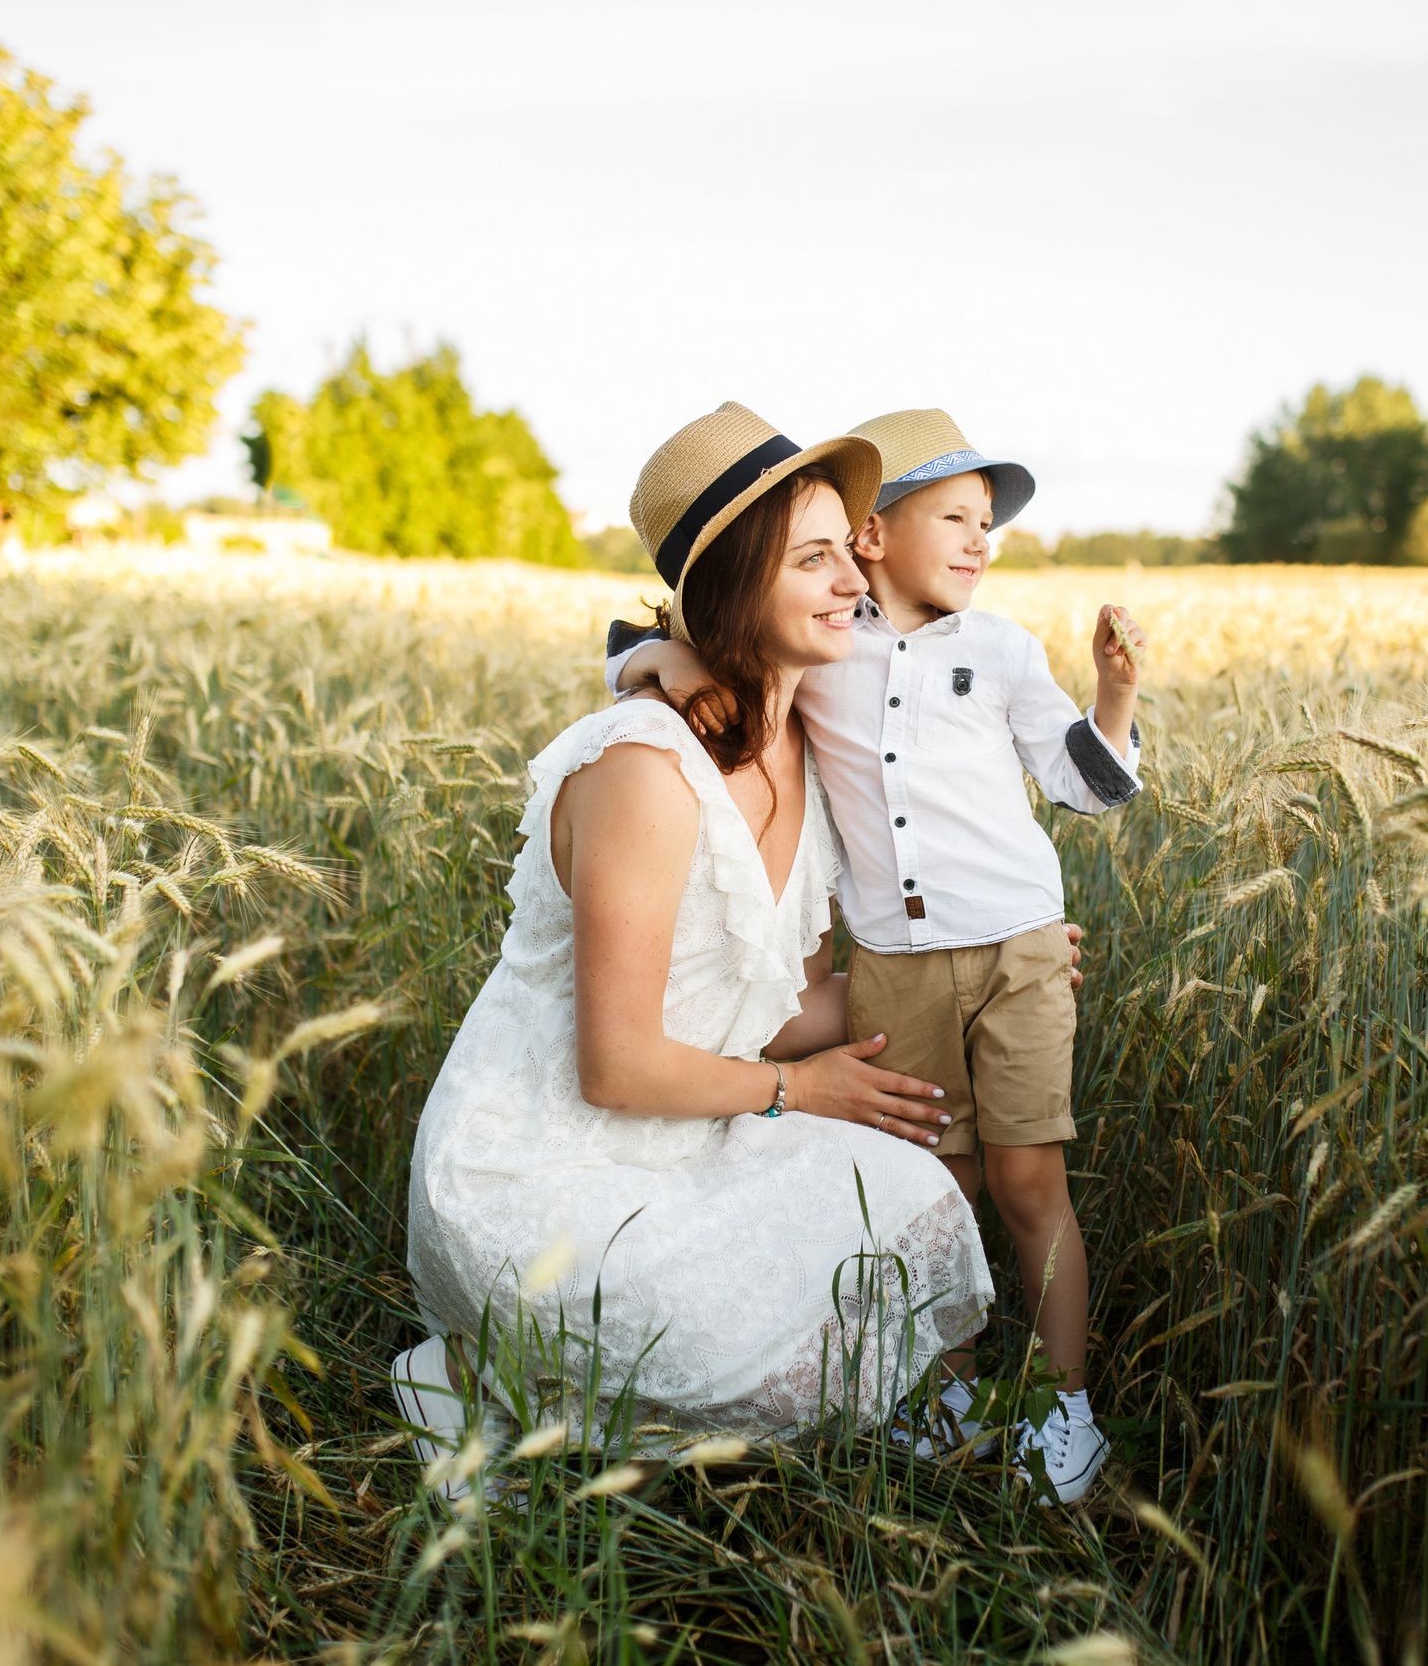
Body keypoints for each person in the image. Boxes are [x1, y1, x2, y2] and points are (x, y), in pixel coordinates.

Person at [394, 403, 997, 1460]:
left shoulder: (808, 745)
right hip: (538, 1174)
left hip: (701, 1129)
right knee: (752, 1369)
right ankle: (462, 1370)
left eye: (845, 553)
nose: (855, 583)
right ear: (728, 588)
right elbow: (616, 1066)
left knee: (922, 1207)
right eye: (815, 559)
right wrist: (801, 1095)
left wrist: (967, 973)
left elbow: (776, 1010)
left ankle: (590, 1392)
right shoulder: (642, 768)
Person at [608, 407, 1148, 1503]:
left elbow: (1080, 782)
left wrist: (1117, 698)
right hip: (897, 957)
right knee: (930, 1183)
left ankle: (1065, 1407)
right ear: (872, 536)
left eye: (985, 522)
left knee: (1027, 1176)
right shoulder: (827, 647)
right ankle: (947, 1391)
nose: (979, 540)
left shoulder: (999, 649)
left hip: (1019, 947)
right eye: (952, 516)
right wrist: (660, 655)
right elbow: (647, 646)